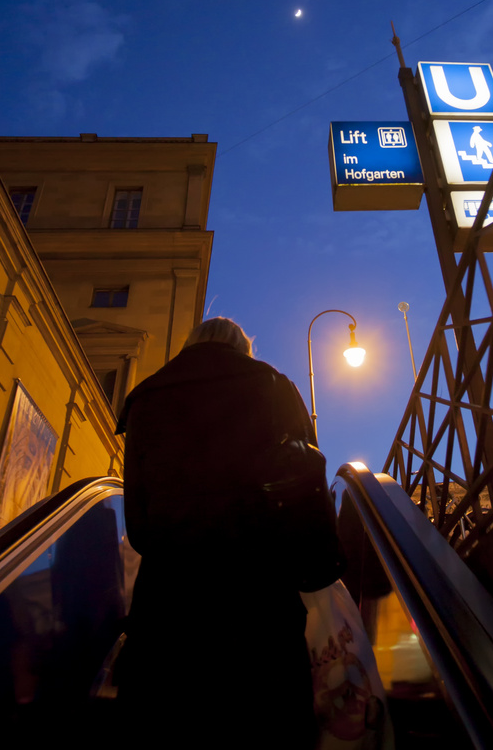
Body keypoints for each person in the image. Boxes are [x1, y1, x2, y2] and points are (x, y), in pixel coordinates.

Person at [115, 317, 341, 745]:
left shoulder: (145, 398)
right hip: (259, 597)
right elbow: (302, 481)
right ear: (242, 347)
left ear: (191, 345)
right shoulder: (274, 386)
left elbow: (139, 524)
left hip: (167, 602)